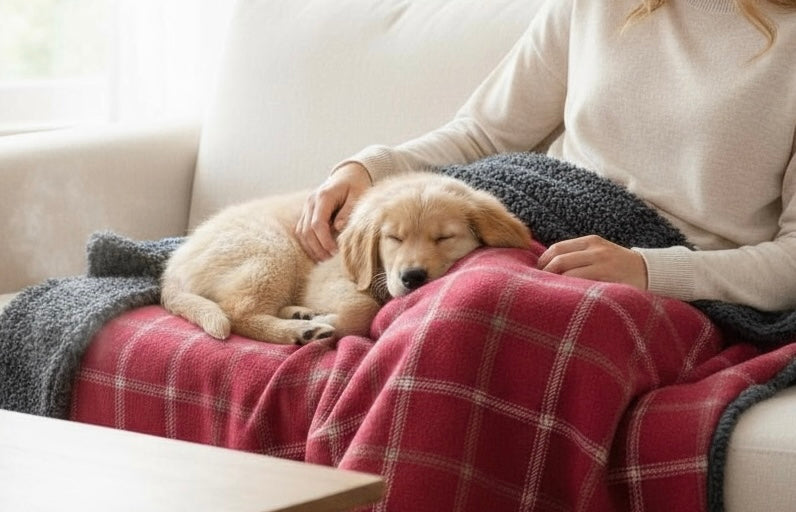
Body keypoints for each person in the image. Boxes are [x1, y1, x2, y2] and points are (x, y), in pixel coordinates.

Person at [296, 0, 796, 312]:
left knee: (477, 311)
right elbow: (484, 134)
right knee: (438, 305)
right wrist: (370, 167)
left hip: (670, 287)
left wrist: (649, 270)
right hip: (541, 230)